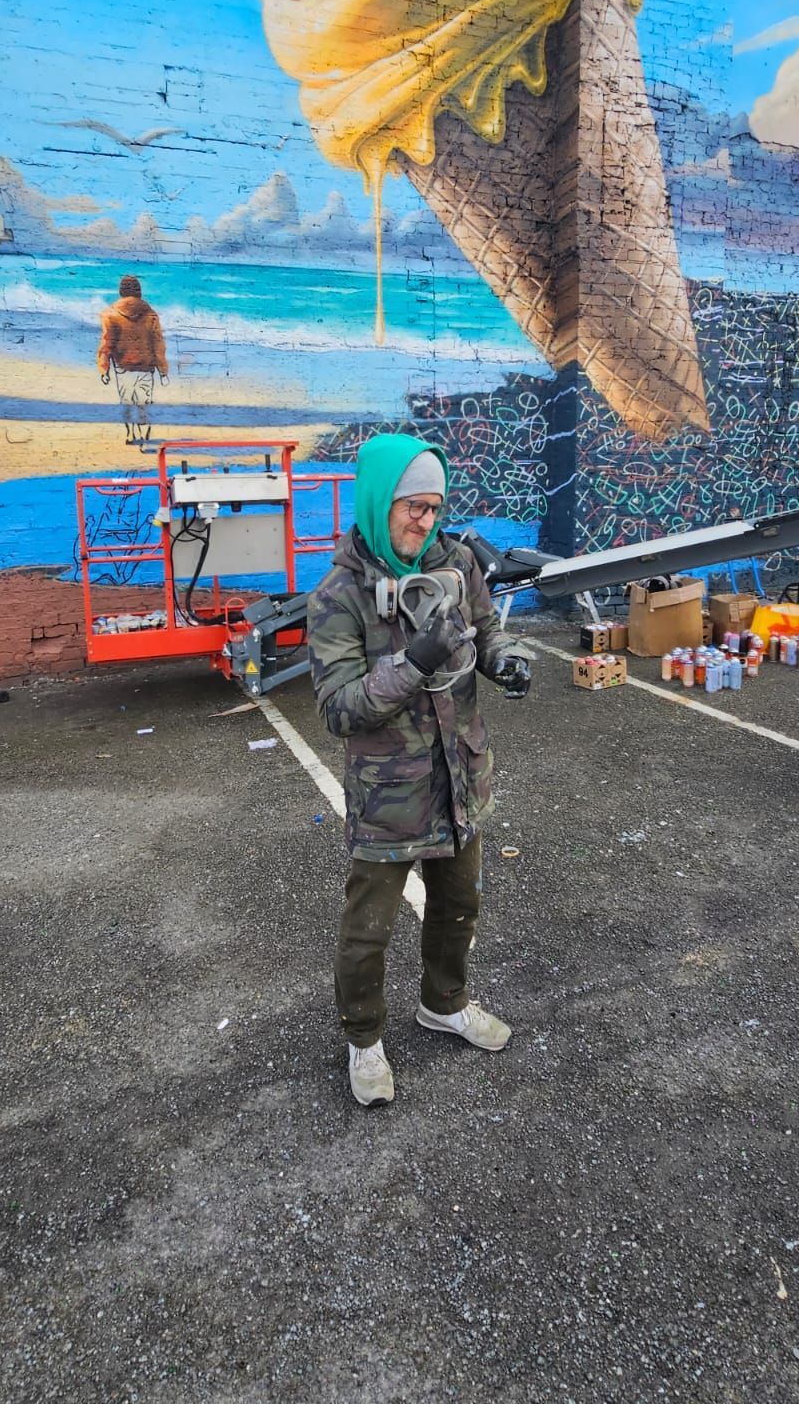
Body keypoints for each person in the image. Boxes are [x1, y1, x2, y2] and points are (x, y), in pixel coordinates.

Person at [307, 433, 533, 1107]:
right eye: (412, 507)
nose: (424, 522)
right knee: (368, 930)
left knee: (459, 903)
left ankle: (445, 1002)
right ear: (380, 502)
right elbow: (342, 708)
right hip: (389, 798)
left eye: (434, 508)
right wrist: (417, 661)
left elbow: (488, 628)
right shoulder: (339, 595)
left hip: (458, 779)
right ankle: (364, 1039)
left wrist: (505, 658)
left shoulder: (457, 563)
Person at [97, 274, 169, 446]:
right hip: (146, 368)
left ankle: (131, 434)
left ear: (121, 292)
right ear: (139, 292)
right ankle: (144, 435)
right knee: (144, 402)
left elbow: (107, 344)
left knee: (127, 402)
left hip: (123, 367)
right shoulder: (151, 315)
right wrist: (163, 371)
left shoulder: (110, 315)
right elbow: (158, 344)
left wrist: (104, 368)